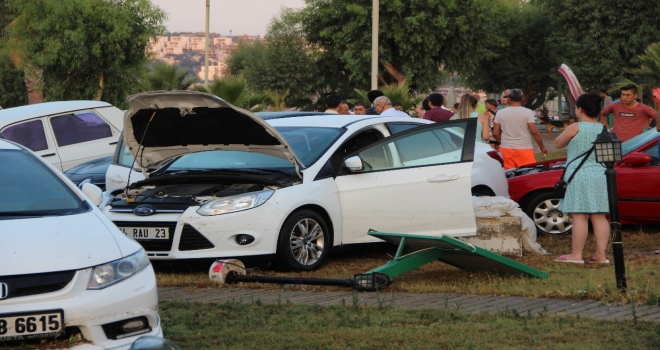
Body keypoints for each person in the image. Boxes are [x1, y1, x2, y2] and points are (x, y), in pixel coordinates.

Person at [554, 93, 610, 264]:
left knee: (579, 216)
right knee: (599, 216)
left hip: (579, 175)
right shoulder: (603, 129)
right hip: (600, 175)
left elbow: (558, 143)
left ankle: (576, 255)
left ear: (580, 109)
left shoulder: (576, 127)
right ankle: (601, 255)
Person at [493, 88, 547, 169]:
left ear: (508, 99)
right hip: (524, 149)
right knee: (527, 174)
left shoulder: (500, 113)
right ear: (522, 98)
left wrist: (501, 141)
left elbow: (495, 133)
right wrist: (542, 147)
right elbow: (534, 131)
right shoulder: (528, 112)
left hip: (506, 149)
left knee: (509, 175)